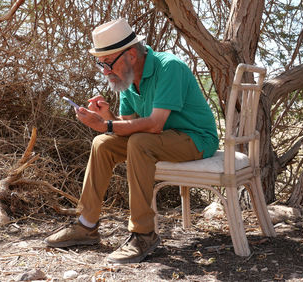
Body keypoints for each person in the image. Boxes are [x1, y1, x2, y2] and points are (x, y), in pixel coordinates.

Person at [44, 18, 219, 264]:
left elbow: (155, 124)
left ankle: (143, 233)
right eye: (100, 64)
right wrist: (106, 117)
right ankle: (86, 225)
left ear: (131, 56)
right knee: (102, 143)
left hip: (195, 139)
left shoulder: (170, 67)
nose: (104, 71)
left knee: (139, 142)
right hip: (157, 140)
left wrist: (106, 125)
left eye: (107, 63)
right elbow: (127, 125)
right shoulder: (125, 80)